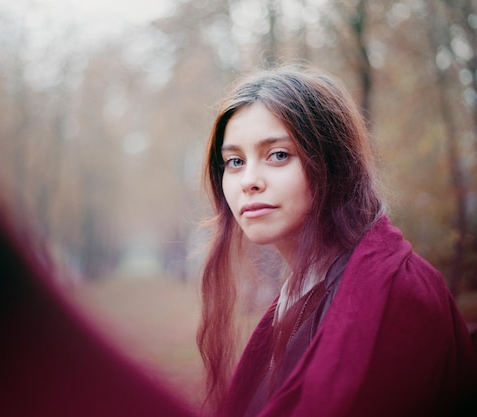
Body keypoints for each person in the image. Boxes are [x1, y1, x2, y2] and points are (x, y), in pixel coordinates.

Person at [197, 65, 477, 417]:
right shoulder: (298, 292)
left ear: (332, 164)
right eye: (234, 161)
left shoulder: (399, 291)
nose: (248, 180)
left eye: (279, 155)